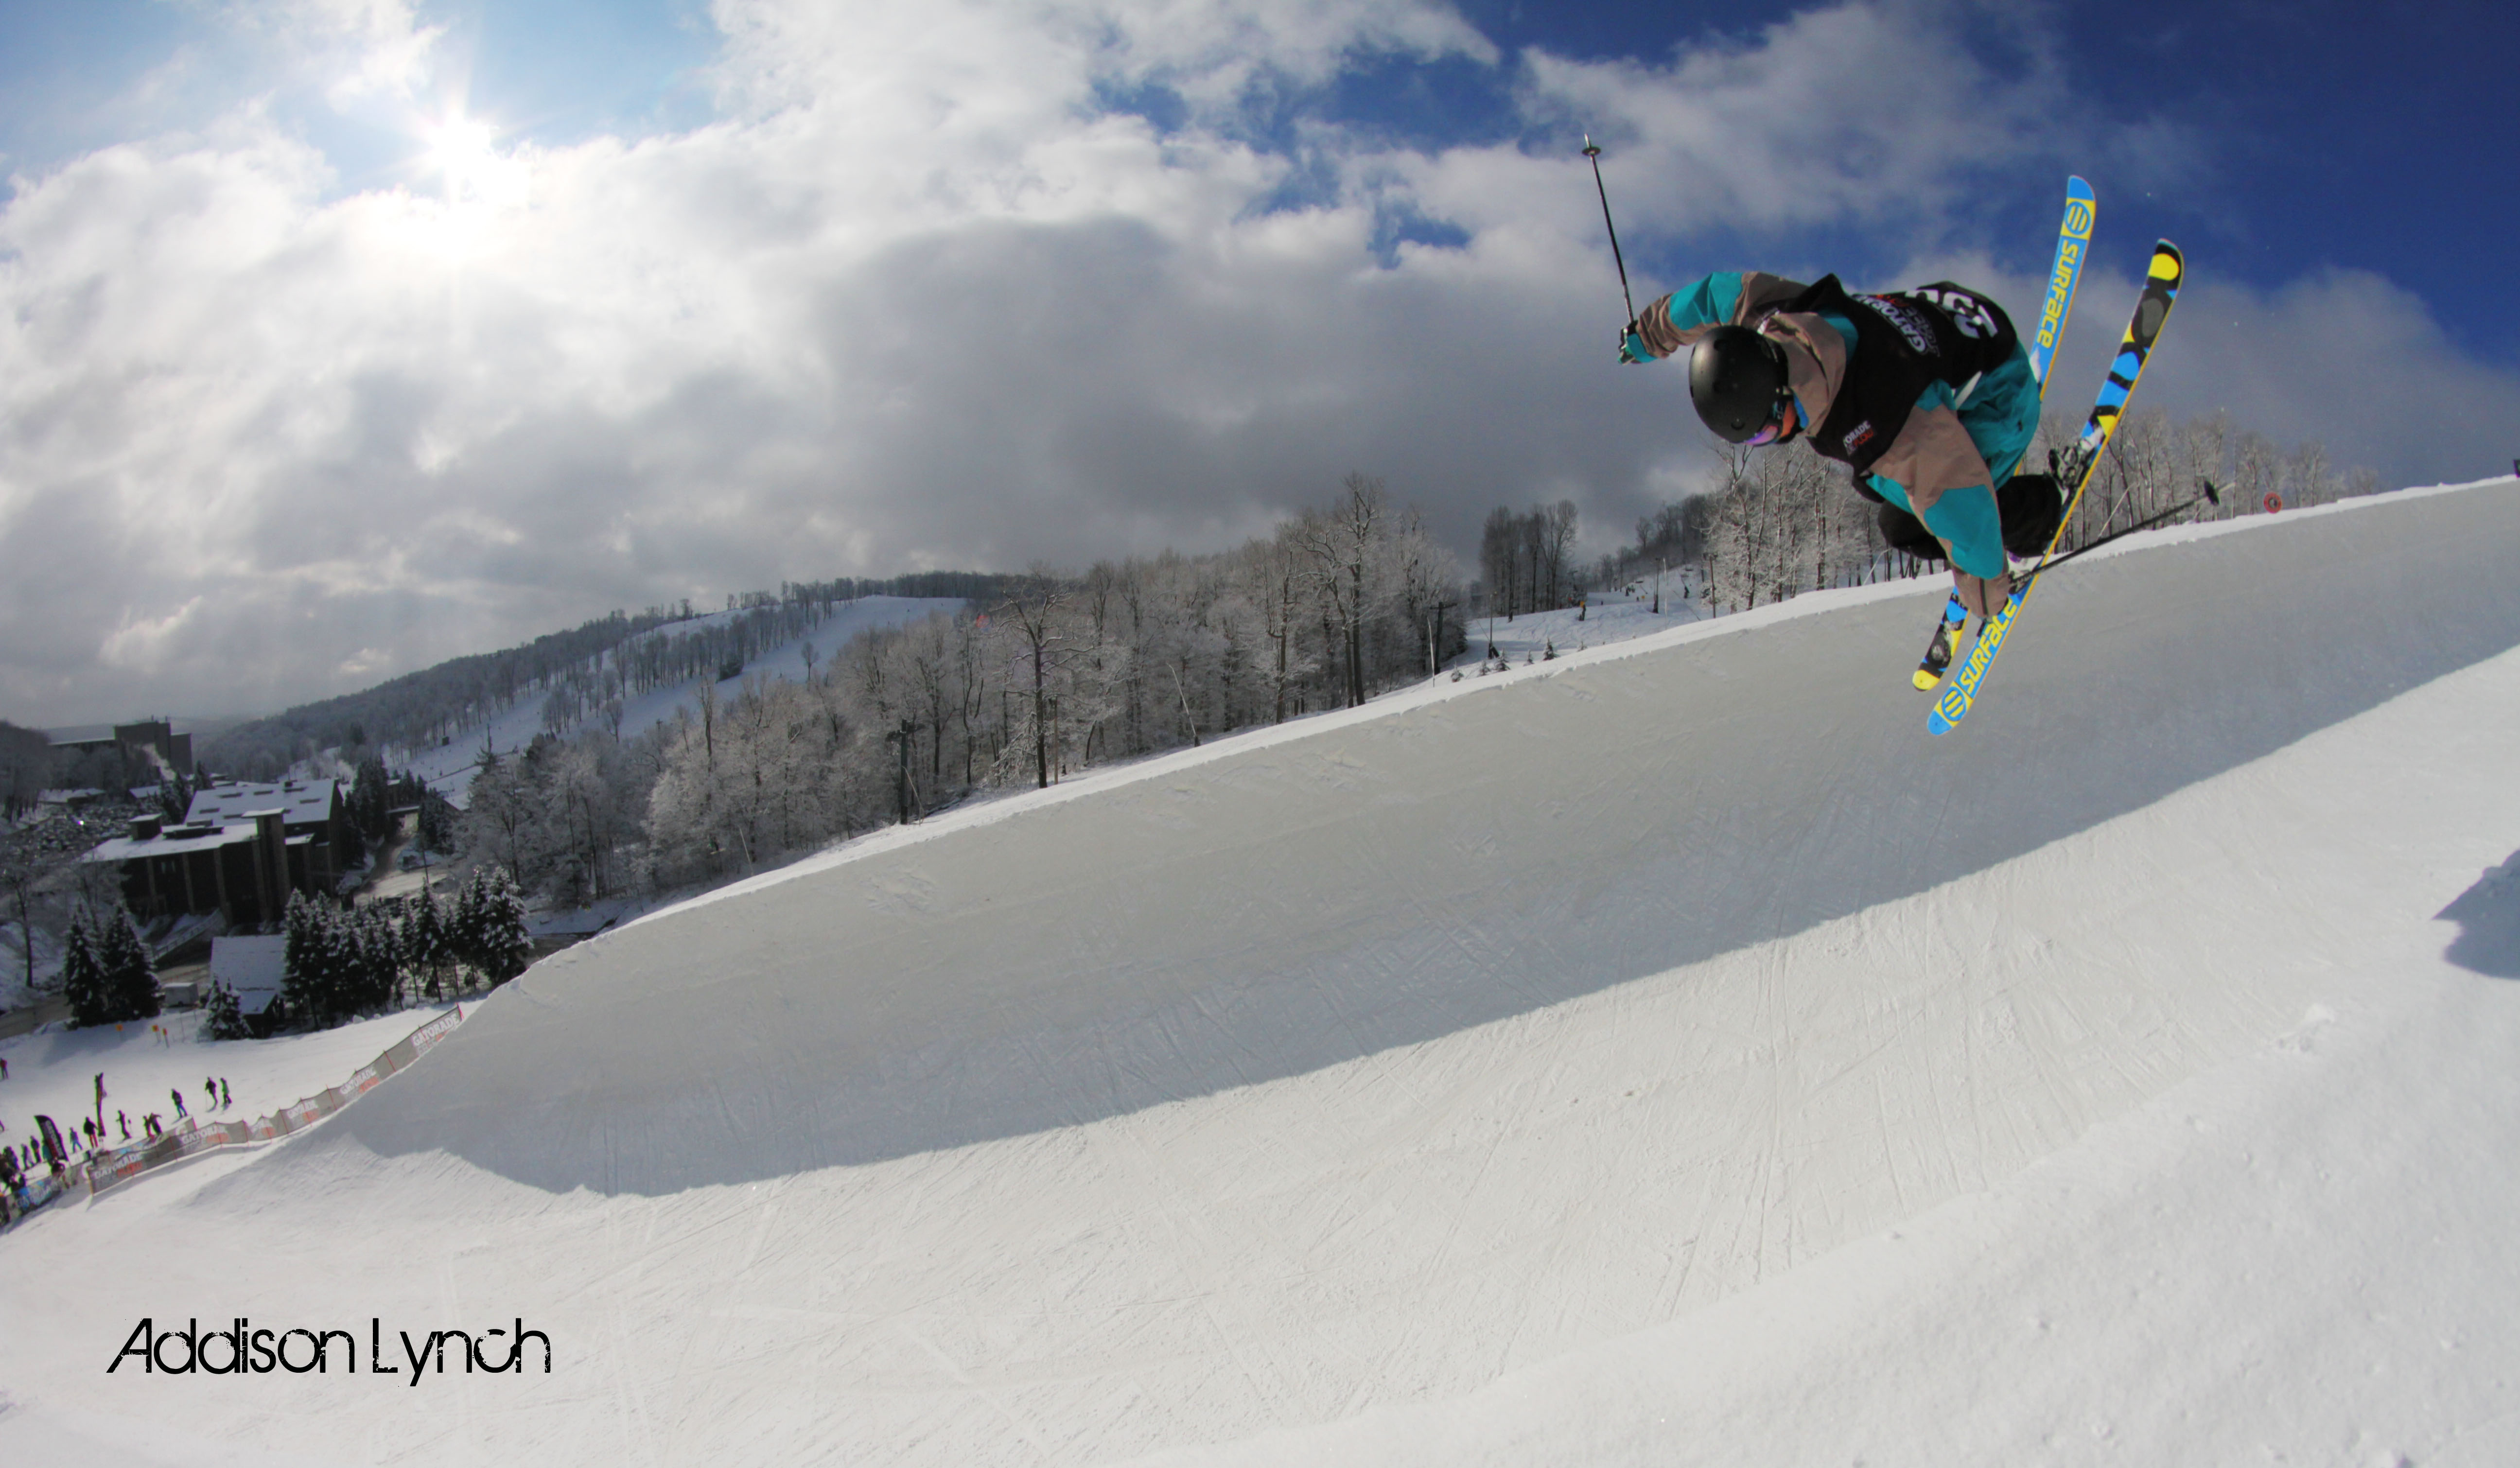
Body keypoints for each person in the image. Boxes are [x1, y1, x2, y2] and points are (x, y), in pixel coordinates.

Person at [1620, 270, 2067, 617]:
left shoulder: (1887, 416)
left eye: (1763, 433)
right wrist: (1648, 335)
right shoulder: (1775, 317)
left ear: (1781, 395)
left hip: (2002, 394)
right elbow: (1713, 295)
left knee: (1904, 524)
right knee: (1873, 481)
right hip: (1956, 312)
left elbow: (1958, 494)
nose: (1771, 442)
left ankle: (2045, 509)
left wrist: (1985, 589)